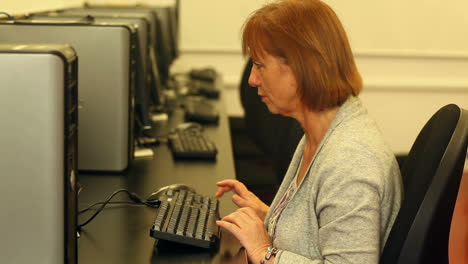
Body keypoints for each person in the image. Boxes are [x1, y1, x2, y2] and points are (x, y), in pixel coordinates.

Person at [215, 0, 404, 263]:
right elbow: (321, 233)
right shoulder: (321, 131)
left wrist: (264, 253)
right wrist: (270, 217)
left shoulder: (349, 162)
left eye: (260, 66)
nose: (252, 80)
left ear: (300, 68)